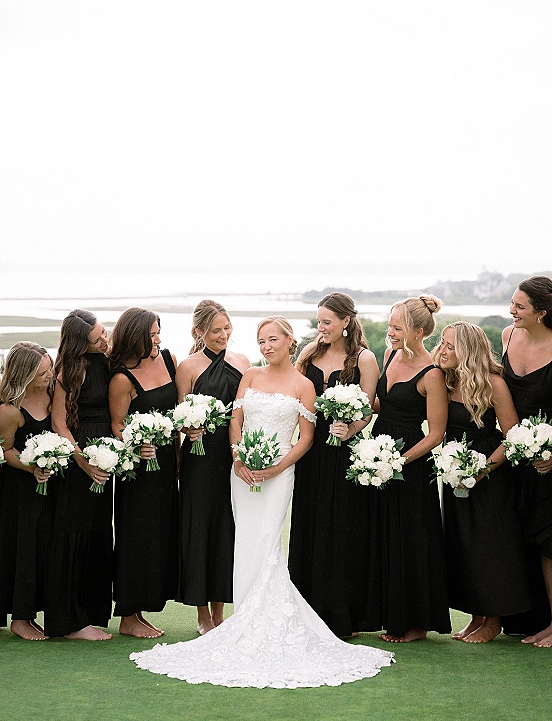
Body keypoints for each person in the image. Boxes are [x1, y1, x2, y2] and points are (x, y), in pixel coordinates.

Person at [130, 317, 395, 687]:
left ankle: (263, 619)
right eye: (260, 341)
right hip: (242, 473)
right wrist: (239, 458)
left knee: (268, 541)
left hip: (280, 474)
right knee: (245, 541)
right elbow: (235, 419)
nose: (266, 346)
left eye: (273, 339)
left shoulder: (304, 386)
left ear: (290, 341)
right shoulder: (250, 376)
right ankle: (242, 619)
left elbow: (305, 437)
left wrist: (277, 467)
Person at [288, 292, 381, 637]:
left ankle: (343, 615)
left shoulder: (365, 359)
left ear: (345, 322)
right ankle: (305, 612)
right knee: (310, 523)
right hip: (311, 452)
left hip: (346, 454)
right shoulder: (310, 353)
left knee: (343, 528)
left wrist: (351, 428)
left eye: (327, 322)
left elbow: (369, 407)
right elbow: (294, 397)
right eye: (318, 322)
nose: (321, 328)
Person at [432, 322, 532, 642]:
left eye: (450, 346)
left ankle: (494, 619)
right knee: (463, 544)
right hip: (455, 473)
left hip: (491, 475)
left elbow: (513, 436)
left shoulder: (493, 384)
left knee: (490, 545)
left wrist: (482, 469)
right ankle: (476, 615)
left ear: (468, 351)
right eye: (442, 344)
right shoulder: (445, 382)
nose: (443, 350)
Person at [502, 275, 552, 648]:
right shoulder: (507, 336)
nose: (512, 311)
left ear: (541, 312)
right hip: (517, 457)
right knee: (528, 541)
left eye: (519, 306)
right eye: (512, 303)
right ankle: (546, 620)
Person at [371, 295, 451, 642]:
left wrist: (398, 462)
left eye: (396, 327)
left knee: (410, 540)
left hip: (410, 465)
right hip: (375, 456)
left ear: (418, 331)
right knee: (380, 535)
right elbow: (380, 402)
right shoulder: (389, 356)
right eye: (389, 325)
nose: (389, 333)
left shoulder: (432, 373)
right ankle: (383, 613)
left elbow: (436, 433)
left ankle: (415, 623)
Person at [175, 300, 250, 635]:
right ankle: (202, 614)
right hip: (199, 460)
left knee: (227, 530)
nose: (224, 335)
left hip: (233, 456)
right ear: (199, 331)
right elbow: (179, 416)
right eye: (216, 330)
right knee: (199, 530)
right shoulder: (188, 367)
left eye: (227, 328)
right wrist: (188, 430)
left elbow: (249, 410)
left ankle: (221, 611)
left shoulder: (243, 362)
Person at [108, 307, 179, 639]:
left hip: (167, 466)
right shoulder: (122, 378)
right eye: (151, 334)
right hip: (137, 472)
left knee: (161, 535)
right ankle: (128, 616)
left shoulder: (168, 358)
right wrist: (135, 447)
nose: (157, 338)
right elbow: (117, 425)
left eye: (158, 331)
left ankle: (143, 610)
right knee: (136, 538)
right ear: (133, 336)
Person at [45, 311, 114, 640]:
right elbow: (59, 423)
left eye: (103, 332)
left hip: (106, 458)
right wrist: (83, 461)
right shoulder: (68, 371)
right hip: (79, 462)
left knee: (99, 530)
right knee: (75, 533)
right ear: (79, 342)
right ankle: (69, 622)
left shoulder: (106, 359)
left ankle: (92, 611)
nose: (104, 339)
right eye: (97, 337)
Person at [0, 343, 53, 640]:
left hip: (48, 485)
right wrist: (32, 468)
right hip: (20, 488)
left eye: (49, 369)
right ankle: (19, 619)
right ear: (25, 374)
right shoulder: (10, 409)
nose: (49, 376)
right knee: (24, 549)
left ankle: (33, 614)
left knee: (43, 548)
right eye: (42, 373)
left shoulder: (51, 393)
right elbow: (7, 450)